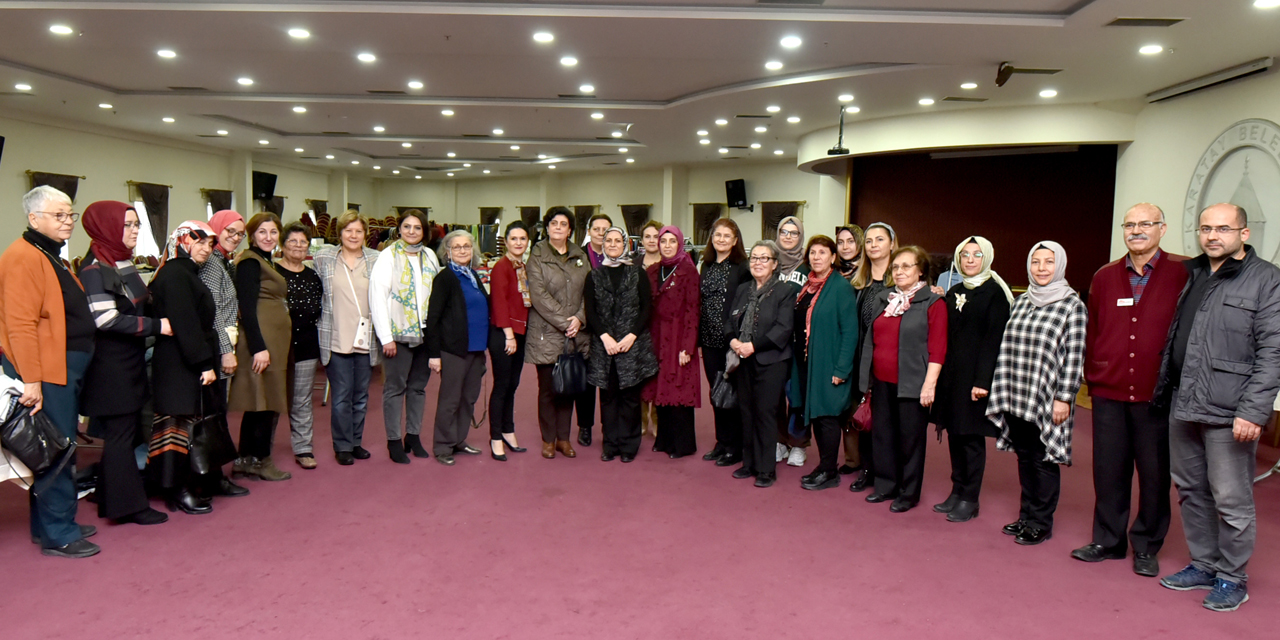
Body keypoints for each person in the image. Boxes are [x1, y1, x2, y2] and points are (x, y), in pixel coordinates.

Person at [1153, 203, 1280, 612]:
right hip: (1184, 400)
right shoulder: (1194, 273)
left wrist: (1253, 411)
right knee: (1191, 490)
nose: (1212, 236)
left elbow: (1273, 351)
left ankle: (1232, 577)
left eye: (1223, 229)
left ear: (1244, 233)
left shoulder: (1266, 280)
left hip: (1231, 410)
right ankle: (1204, 564)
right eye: (1206, 228)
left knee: (1231, 498)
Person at [1071, 204, 1188, 575]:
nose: (1137, 230)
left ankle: (1147, 545)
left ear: (1162, 229)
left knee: (1154, 475)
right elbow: (1094, 331)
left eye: (1145, 224)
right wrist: (1094, 373)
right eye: (1130, 224)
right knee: (1108, 471)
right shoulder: (1105, 277)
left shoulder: (1183, 273)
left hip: (1157, 394)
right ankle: (1108, 540)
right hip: (1109, 392)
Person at [0, 186, 98, 557]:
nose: (68, 222)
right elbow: (20, 326)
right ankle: (60, 532)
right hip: (45, 370)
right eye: (59, 215)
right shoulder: (22, 256)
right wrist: (31, 380)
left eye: (70, 215)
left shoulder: (48, 253)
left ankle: (51, 524)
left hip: (62, 366)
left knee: (54, 447)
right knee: (56, 449)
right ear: (33, 218)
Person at [987, 241, 1086, 546]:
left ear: (1060, 266)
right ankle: (1026, 515)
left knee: (1043, 459)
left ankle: (1041, 522)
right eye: (1036, 262)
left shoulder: (1072, 305)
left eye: (1048, 262)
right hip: (1017, 392)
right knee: (1025, 457)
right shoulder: (1021, 301)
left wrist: (1065, 397)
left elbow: (1074, 355)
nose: (1041, 268)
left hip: (1047, 397)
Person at [77, 201, 170, 526]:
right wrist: (160, 327)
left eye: (136, 225)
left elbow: (140, 303)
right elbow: (106, 320)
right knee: (119, 436)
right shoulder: (94, 268)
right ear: (107, 228)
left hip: (126, 361)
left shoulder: (119, 261)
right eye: (127, 225)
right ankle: (128, 507)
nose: (133, 232)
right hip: (110, 366)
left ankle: (111, 495)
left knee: (125, 435)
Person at [931, 236, 1013, 523]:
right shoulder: (954, 291)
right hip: (951, 377)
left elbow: (994, 341)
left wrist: (983, 381)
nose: (969, 260)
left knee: (971, 439)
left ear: (987, 258)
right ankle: (957, 490)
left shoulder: (995, 294)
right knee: (955, 434)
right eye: (964, 254)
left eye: (976, 255)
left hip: (976, 380)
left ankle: (970, 498)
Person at [859, 245, 946, 512]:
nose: (899, 271)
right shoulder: (885, 299)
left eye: (906, 266)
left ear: (921, 270)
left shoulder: (933, 302)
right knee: (883, 436)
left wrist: (929, 384)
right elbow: (872, 340)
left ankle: (908, 493)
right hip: (881, 381)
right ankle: (886, 486)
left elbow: (938, 347)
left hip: (913, 384)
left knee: (910, 440)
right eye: (895, 267)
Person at [148, 221, 221, 516]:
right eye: (200, 242)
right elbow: (185, 324)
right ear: (183, 241)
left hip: (181, 360)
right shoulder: (177, 274)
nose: (206, 249)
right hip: (180, 362)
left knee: (182, 427)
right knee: (177, 428)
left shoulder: (183, 271)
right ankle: (177, 490)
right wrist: (204, 363)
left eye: (210, 244)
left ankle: (180, 487)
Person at [369, 209, 440, 463]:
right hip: (397, 335)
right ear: (399, 229)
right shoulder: (388, 256)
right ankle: (393, 441)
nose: (412, 231)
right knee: (395, 389)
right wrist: (385, 336)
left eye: (417, 227)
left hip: (425, 333)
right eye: (407, 227)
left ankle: (413, 435)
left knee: (418, 388)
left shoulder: (430, 256)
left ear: (425, 231)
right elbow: (377, 297)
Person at [789, 235, 859, 492]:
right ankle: (824, 465)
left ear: (832, 257)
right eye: (813, 253)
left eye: (822, 252)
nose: (816, 257)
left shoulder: (840, 287)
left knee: (828, 417)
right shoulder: (809, 286)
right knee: (817, 417)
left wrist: (841, 369)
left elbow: (850, 332)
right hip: (808, 364)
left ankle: (830, 471)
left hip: (829, 366)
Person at [585, 227, 659, 462]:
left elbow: (647, 308)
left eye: (618, 241)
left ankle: (629, 445)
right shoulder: (594, 275)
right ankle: (610, 444)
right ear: (603, 244)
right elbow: (590, 311)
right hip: (604, 345)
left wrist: (632, 335)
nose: (614, 244)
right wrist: (605, 336)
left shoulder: (638, 274)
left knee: (629, 397)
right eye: (609, 240)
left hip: (631, 344)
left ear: (626, 244)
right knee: (607, 397)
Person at [312, 211, 381, 465]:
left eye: (358, 231)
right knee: (341, 395)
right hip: (336, 336)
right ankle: (341, 445)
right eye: (348, 231)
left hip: (365, 338)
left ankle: (355, 442)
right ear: (339, 233)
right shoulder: (324, 258)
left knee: (361, 395)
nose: (353, 236)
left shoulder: (376, 260)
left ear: (366, 235)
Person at [228, 213, 292, 482]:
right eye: (262, 232)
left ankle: (246, 459)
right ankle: (261, 460)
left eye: (274, 232)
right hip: (262, 341)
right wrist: (258, 347)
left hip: (272, 341)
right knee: (264, 403)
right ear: (252, 235)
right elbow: (247, 308)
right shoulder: (250, 263)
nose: (269, 237)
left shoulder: (265, 261)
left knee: (261, 402)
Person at [727, 240, 796, 488]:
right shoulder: (743, 289)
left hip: (771, 361)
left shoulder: (784, 291)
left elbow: (784, 328)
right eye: (754, 258)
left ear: (775, 264)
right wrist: (734, 341)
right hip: (742, 360)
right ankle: (749, 463)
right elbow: (730, 320)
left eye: (764, 258)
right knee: (746, 412)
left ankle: (766, 469)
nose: (757, 262)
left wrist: (754, 345)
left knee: (765, 414)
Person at [526, 206, 590, 459]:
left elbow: (589, 291)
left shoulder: (580, 255)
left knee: (569, 388)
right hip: (546, 333)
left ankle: (564, 439)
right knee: (548, 389)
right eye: (554, 223)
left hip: (577, 332)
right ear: (547, 227)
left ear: (570, 229)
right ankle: (548, 440)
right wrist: (566, 321)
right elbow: (538, 296)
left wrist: (580, 318)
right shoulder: (537, 255)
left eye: (564, 224)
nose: (558, 228)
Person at [197, 209, 250, 498]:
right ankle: (210, 477)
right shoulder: (211, 265)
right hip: (217, 349)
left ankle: (215, 474)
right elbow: (213, 312)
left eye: (240, 233)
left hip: (221, 345)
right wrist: (227, 351)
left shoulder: (221, 261)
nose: (235, 238)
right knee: (213, 415)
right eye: (229, 231)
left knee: (217, 414)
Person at [426, 230, 488, 465]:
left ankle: (458, 440)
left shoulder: (472, 275)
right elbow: (433, 319)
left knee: (468, 398)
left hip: (476, 349)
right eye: (457, 247)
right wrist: (434, 354)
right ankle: (442, 446)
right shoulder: (445, 278)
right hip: (454, 350)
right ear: (447, 252)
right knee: (450, 400)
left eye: (466, 246)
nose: (463, 250)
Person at [848, 221, 899, 492]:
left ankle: (887, 475)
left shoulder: (902, 281)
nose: (874, 245)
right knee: (865, 415)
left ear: (892, 244)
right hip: (863, 360)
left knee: (887, 421)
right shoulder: (860, 283)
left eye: (880, 240)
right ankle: (867, 470)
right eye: (869, 241)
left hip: (889, 362)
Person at [644, 225, 701, 458]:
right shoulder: (653, 270)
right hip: (657, 336)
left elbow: (693, 310)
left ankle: (683, 444)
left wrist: (688, 346)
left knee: (679, 388)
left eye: (672, 242)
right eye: (663, 241)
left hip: (679, 336)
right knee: (661, 389)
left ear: (680, 244)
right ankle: (664, 439)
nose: (667, 246)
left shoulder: (688, 271)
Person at [699, 218, 750, 467]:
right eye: (717, 235)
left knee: (732, 393)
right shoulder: (706, 265)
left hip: (731, 340)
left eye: (727, 236)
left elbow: (745, 305)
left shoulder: (742, 267)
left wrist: (737, 337)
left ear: (735, 240)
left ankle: (735, 446)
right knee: (715, 392)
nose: (721, 240)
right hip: (708, 340)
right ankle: (722, 442)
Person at [275, 222, 323, 470]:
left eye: (303, 242)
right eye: (292, 241)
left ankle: (303, 448)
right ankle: (261, 451)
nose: (298, 246)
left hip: (306, 345)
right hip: (277, 346)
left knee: (301, 400)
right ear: (282, 245)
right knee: (271, 398)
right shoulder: (272, 272)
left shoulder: (312, 276)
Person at [487, 221, 532, 461]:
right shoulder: (501, 267)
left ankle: (508, 430)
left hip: (520, 333)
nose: (518, 243)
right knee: (502, 386)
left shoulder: (522, 266)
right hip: (504, 334)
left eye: (522, 239)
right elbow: (500, 303)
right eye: (513, 238)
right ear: (506, 241)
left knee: (513, 385)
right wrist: (509, 335)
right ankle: (495, 437)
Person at [773, 215, 810, 468]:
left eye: (794, 233)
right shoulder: (768, 263)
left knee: (796, 394)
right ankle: (779, 440)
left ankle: (798, 444)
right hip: (772, 342)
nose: (788, 236)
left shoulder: (808, 268)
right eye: (784, 232)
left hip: (798, 343)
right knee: (773, 394)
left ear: (801, 237)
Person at [576, 213, 612, 447]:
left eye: (605, 230)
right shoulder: (578, 256)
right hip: (586, 326)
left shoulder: (619, 256)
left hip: (611, 329)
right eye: (596, 229)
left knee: (610, 381)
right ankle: (585, 426)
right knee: (587, 382)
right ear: (589, 231)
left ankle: (609, 427)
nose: (600, 233)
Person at [834, 225, 865, 476]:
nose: (845, 247)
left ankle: (869, 460)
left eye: (850, 241)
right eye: (841, 242)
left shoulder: (868, 274)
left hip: (863, 347)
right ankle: (852, 459)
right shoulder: (833, 273)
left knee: (862, 404)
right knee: (846, 406)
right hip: (840, 347)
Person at [637, 219, 664, 437]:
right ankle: (640, 419)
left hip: (661, 327)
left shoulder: (669, 265)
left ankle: (656, 417)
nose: (652, 241)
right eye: (648, 236)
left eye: (656, 236)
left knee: (657, 372)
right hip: (636, 326)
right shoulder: (633, 264)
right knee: (638, 373)